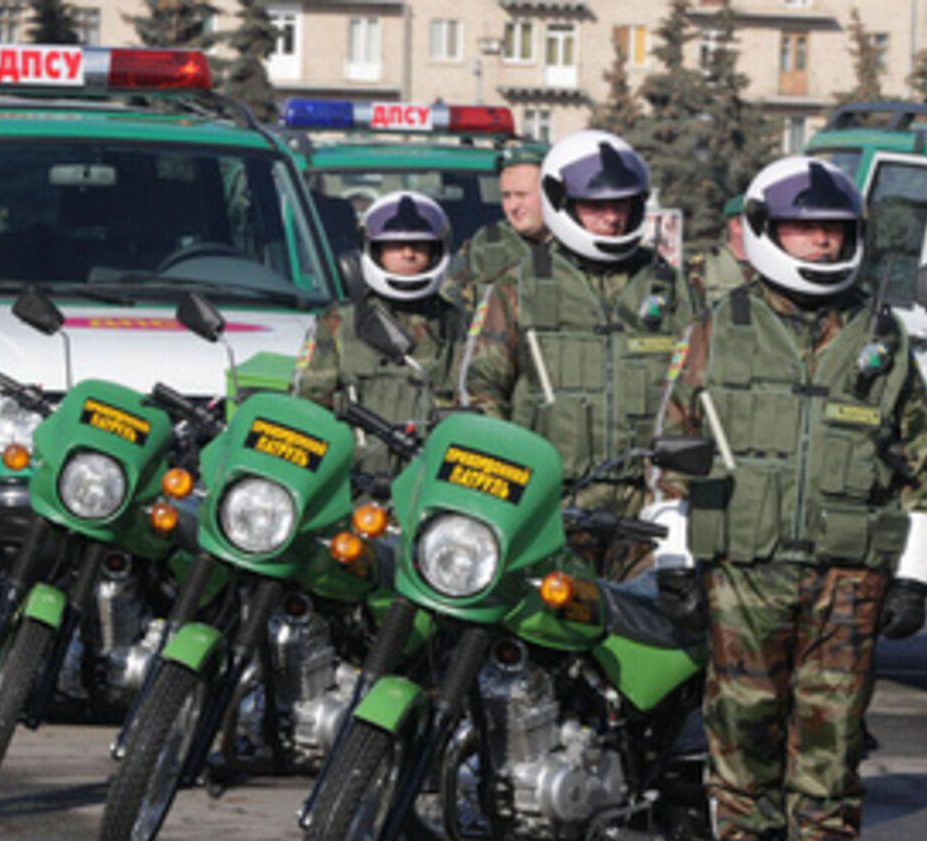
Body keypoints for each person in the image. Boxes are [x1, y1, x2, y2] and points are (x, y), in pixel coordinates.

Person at [654, 156, 927, 841]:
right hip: (742, 573)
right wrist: (675, 556)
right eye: (804, 227)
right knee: (740, 737)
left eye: (834, 229)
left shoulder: (881, 334)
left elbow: (920, 465)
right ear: (770, 232)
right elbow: (675, 447)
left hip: (847, 584)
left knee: (831, 744)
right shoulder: (717, 326)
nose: (820, 240)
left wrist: (913, 577)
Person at [462, 130, 694, 578]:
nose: (612, 217)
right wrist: (506, 487)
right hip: (552, 504)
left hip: (646, 508)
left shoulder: (672, 289)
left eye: (622, 204)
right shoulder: (517, 288)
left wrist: (674, 500)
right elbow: (480, 391)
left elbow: (699, 396)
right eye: (596, 205)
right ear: (564, 203)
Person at [294, 190, 462, 475]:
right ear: (375, 250)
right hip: (356, 484)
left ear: (437, 251)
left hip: (434, 486)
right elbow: (306, 409)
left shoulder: (460, 326)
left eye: (419, 246)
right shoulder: (339, 323)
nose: (408, 254)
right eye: (395, 245)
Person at [441, 142, 550, 315]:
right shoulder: (483, 247)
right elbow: (451, 312)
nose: (513, 206)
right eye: (506, 196)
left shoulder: (580, 245)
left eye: (522, 195)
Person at [687, 193, 754, 307]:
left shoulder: (771, 263)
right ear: (730, 224)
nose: (748, 230)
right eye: (741, 223)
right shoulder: (707, 262)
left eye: (753, 223)